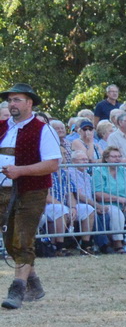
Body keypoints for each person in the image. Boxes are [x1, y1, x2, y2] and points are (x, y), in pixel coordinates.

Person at [1, 83, 61, 306]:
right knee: (10, 243)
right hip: (3, 191)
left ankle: (17, 290)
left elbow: (52, 164)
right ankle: (34, 283)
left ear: (29, 103)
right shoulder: (1, 127)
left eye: (17, 100)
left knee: (23, 239)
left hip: (32, 190)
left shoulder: (44, 129)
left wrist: (21, 171)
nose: (12, 104)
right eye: (10, 100)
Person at [91, 144, 126, 252]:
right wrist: (119, 199)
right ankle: (118, 244)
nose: (117, 159)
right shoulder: (99, 171)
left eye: (119, 156)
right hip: (108, 203)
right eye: (114, 157)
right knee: (116, 215)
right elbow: (98, 194)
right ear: (106, 158)